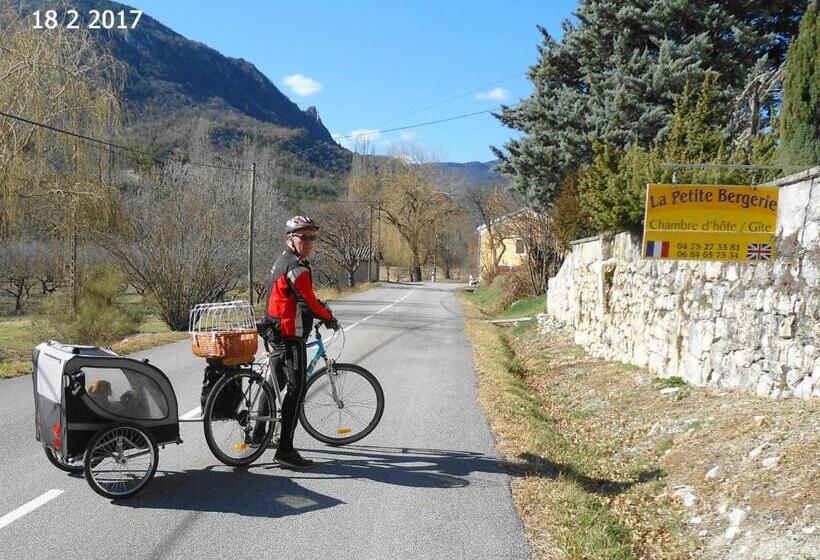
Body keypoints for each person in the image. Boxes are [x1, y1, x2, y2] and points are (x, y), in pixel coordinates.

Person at [257, 215, 338, 470]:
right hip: (289, 334)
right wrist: (328, 316)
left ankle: (258, 433)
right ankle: (285, 450)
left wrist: (316, 308)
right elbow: (308, 301)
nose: (310, 242)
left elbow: (298, 298)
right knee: (296, 388)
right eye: (305, 237)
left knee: (276, 381)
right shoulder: (297, 266)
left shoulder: (282, 260)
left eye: (313, 237)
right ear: (291, 239)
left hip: (273, 328)